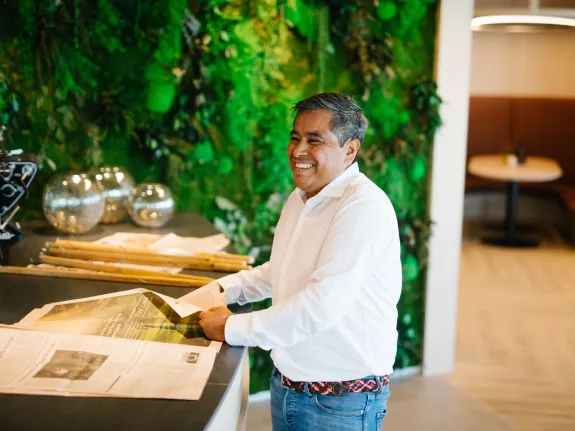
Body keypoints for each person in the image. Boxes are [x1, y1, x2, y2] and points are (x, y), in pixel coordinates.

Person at [195, 93, 401, 430]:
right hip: (289, 387)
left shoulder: (363, 207)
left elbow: (320, 307)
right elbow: (282, 269)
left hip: (340, 403)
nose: (298, 151)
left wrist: (231, 328)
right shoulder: (302, 197)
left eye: (314, 140)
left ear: (350, 150)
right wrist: (220, 289)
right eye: (295, 138)